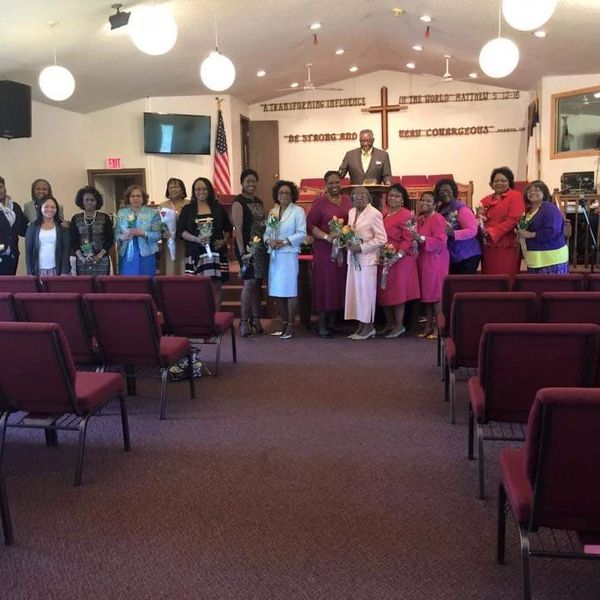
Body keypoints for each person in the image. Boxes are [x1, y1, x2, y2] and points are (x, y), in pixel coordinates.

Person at [307, 170, 353, 338]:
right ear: (325, 184)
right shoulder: (319, 202)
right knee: (325, 285)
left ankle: (333, 323)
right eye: (331, 183)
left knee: (338, 284)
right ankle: (321, 324)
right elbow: (311, 225)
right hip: (325, 250)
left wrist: (347, 236)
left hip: (342, 249)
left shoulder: (347, 200)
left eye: (337, 182)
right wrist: (327, 237)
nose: (334, 185)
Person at [177, 177, 232, 308]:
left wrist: (223, 241)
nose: (201, 192)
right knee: (196, 287)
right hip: (195, 252)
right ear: (193, 191)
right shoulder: (187, 209)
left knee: (216, 286)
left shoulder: (218, 208)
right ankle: (201, 316)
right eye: (197, 189)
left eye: (204, 189)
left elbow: (228, 228)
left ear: (209, 190)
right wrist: (196, 239)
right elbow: (181, 231)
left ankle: (216, 316)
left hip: (216, 253)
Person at [264, 180, 307, 340]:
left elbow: (301, 233)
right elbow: (267, 232)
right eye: (281, 192)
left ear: (292, 195)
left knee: (290, 290)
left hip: (289, 254)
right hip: (275, 255)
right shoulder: (273, 211)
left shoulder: (298, 211)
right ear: (276, 194)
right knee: (278, 291)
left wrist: (284, 242)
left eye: (287, 193)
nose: (284, 195)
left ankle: (290, 325)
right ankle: (283, 323)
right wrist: (269, 240)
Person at [377, 184, 420, 338]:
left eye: (397, 196)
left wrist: (398, 255)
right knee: (383, 292)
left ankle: (399, 325)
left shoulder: (407, 214)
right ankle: (389, 323)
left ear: (403, 200)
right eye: (391, 195)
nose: (392, 198)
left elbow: (409, 239)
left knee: (397, 293)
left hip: (401, 260)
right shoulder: (384, 214)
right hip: (384, 257)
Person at [344, 187, 387, 340]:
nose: (359, 197)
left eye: (362, 195)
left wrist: (362, 247)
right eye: (355, 195)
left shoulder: (374, 213)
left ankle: (369, 327)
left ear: (369, 198)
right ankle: (361, 326)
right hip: (353, 259)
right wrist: (347, 242)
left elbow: (382, 238)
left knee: (366, 294)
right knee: (356, 293)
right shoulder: (351, 212)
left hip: (367, 260)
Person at [231, 169, 268, 337]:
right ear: (242, 183)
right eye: (248, 181)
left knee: (258, 283)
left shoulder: (259, 201)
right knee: (249, 283)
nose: (251, 184)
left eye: (254, 181)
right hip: (246, 248)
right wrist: (242, 253)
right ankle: (244, 321)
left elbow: (263, 223)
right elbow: (238, 229)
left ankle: (256, 319)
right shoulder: (238, 202)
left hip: (260, 248)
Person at [413, 192, 449, 338]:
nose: (424, 203)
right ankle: (428, 326)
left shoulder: (438, 218)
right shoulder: (421, 219)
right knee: (427, 295)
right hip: (424, 259)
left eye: (428, 201)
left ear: (435, 204)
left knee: (436, 295)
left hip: (436, 259)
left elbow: (441, 241)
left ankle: (438, 328)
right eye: (422, 200)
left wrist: (420, 238)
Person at [478, 166, 525, 277]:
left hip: (506, 244)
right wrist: (480, 226)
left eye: (503, 180)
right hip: (488, 245)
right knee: (489, 276)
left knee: (506, 276)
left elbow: (513, 220)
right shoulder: (485, 200)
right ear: (491, 184)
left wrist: (491, 231)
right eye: (496, 181)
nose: (499, 183)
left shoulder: (516, 196)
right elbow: (479, 218)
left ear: (510, 182)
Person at [517, 180, 569, 274]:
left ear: (544, 193)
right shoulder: (527, 212)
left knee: (549, 284)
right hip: (535, 259)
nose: (532, 192)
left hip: (551, 259)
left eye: (537, 190)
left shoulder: (548, 207)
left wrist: (531, 234)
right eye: (530, 190)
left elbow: (553, 230)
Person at [434, 178, 481, 274]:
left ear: (453, 192)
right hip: (451, 255)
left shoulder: (462, 208)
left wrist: (453, 233)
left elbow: (472, 230)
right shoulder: (439, 209)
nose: (445, 194)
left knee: (462, 282)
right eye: (442, 192)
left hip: (466, 255)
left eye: (448, 191)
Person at [338, 129, 392, 210]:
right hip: (355, 199)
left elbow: (386, 175)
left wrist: (388, 182)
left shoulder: (383, 155)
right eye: (362, 141)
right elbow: (341, 174)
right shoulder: (350, 155)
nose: (365, 143)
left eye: (368, 141)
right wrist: (337, 176)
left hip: (374, 199)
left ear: (373, 140)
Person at [115, 185, 161, 275]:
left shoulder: (153, 213)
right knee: (128, 280)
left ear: (143, 198)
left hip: (147, 253)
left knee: (146, 280)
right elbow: (116, 233)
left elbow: (158, 234)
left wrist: (143, 233)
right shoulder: (121, 213)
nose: (135, 198)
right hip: (126, 253)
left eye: (138, 196)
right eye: (132, 196)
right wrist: (121, 237)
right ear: (128, 198)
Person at [70, 186, 114, 276]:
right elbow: (73, 240)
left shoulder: (105, 217)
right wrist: (81, 257)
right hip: (82, 260)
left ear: (97, 201)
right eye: (86, 200)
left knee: (101, 284)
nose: (89, 202)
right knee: (84, 284)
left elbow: (109, 240)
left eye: (92, 200)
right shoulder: (76, 218)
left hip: (102, 260)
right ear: (82, 201)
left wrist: (99, 256)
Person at [25, 196, 71, 276]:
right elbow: (28, 252)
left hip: (58, 270)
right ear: (40, 208)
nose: (50, 209)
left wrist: (64, 271)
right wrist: (30, 272)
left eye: (53, 207)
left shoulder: (62, 227)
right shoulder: (33, 227)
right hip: (38, 270)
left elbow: (66, 251)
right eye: (46, 207)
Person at [159, 177, 188, 275]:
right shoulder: (162, 206)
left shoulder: (189, 204)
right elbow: (158, 225)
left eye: (176, 187)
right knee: (170, 268)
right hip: (169, 242)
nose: (173, 190)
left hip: (185, 242)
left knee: (184, 267)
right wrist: (163, 233)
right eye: (171, 187)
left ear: (182, 189)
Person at [0, 176, 28, 275]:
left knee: (10, 283)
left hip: (12, 255)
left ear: (5, 187)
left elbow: (23, 230)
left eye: (0, 187)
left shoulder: (15, 207)